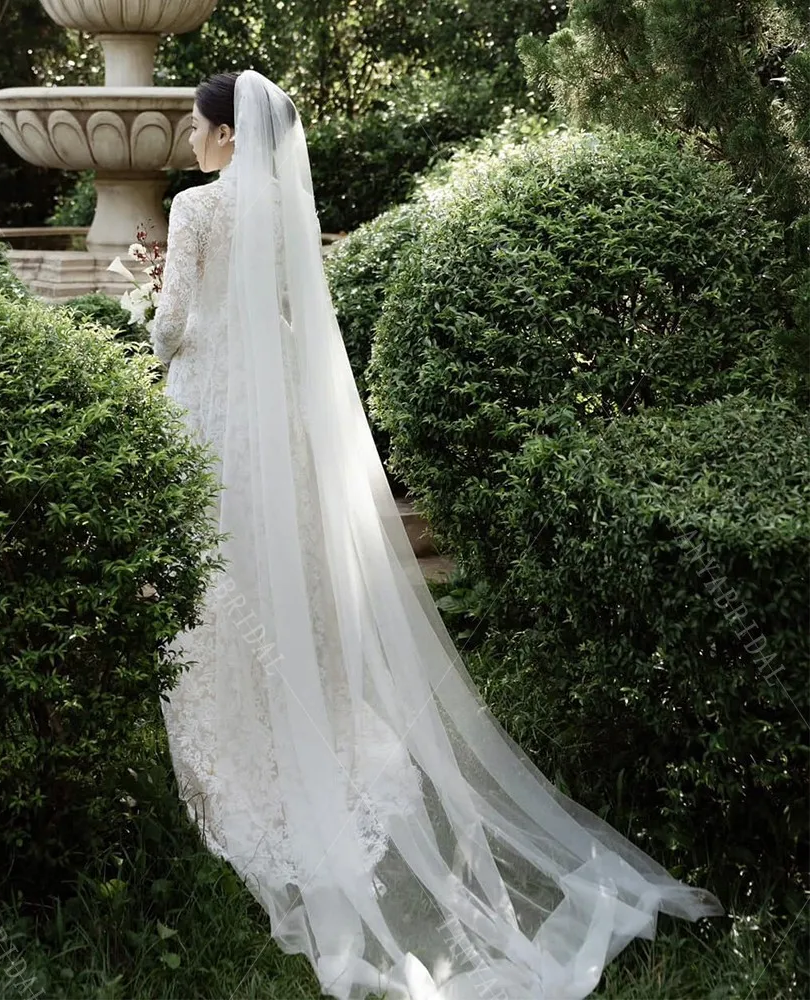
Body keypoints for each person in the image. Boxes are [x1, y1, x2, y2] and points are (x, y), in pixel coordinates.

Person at [149, 69, 722, 1000]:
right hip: (279, 425)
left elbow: (174, 327)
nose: (187, 135)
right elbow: (294, 323)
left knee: (221, 569)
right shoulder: (287, 206)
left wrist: (145, 311)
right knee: (285, 564)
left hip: (213, 413)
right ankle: (309, 714)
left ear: (222, 134)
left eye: (194, 122)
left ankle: (241, 739)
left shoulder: (194, 210)